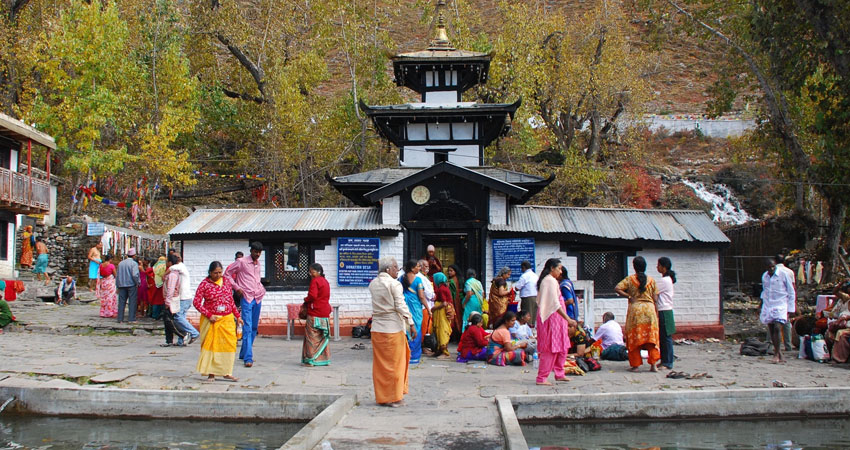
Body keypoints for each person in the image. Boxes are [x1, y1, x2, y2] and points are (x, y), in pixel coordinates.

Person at [369, 256, 416, 407]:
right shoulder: (394, 284)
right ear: (388, 269)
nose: (398, 270)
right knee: (396, 364)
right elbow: (400, 306)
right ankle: (395, 398)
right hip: (392, 329)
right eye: (396, 267)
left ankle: (383, 396)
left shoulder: (373, 284)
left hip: (377, 329)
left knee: (381, 365)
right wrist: (411, 323)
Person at [194, 261, 242, 382]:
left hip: (227, 319)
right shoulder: (204, 284)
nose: (218, 275)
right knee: (212, 346)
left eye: (220, 272)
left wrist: (238, 316)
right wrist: (209, 315)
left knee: (229, 345)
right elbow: (196, 302)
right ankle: (211, 373)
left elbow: (230, 301)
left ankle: (227, 372)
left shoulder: (226, 282)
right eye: (215, 273)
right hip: (212, 320)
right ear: (210, 273)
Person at [615, 256, 660, 372]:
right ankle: (653, 364)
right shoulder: (652, 280)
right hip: (649, 310)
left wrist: (629, 296)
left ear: (634, 267)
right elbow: (655, 298)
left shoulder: (630, 280)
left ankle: (635, 365)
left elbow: (617, 288)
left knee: (634, 338)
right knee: (652, 339)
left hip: (636, 311)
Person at [224, 241, 266, 368]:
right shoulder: (241, 262)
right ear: (251, 251)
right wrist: (236, 287)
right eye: (255, 252)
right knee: (247, 327)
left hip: (257, 297)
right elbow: (227, 274)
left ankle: (243, 353)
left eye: (259, 252)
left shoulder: (258, 264)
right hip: (246, 297)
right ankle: (248, 357)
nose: (257, 254)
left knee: (254, 328)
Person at [535, 258, 574, 385]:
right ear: (552, 268)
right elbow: (554, 304)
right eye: (559, 268)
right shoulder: (549, 281)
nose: (560, 271)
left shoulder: (552, 281)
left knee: (563, 347)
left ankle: (559, 373)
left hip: (558, 319)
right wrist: (568, 319)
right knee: (550, 348)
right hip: (551, 318)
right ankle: (542, 378)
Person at [760, 257, 795, 364]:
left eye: (773, 267)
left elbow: (791, 291)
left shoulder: (783, 274)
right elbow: (765, 291)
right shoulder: (765, 276)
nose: (771, 269)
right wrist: (761, 305)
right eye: (769, 267)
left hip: (781, 304)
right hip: (769, 304)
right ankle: (779, 353)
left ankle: (776, 353)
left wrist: (791, 308)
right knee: (771, 328)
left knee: (777, 327)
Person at [302, 263, 331, 367]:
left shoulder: (315, 281)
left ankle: (311, 359)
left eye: (312, 272)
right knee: (322, 337)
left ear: (318, 272)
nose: (311, 274)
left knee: (311, 337)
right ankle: (324, 359)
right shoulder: (326, 282)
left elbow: (313, 295)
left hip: (314, 312)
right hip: (325, 313)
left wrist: (306, 300)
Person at [170, 254, 199, 346]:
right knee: (181, 319)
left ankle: (194, 332)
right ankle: (181, 340)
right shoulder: (178, 269)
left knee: (178, 317)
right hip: (183, 297)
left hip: (184, 298)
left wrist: (165, 273)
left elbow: (171, 268)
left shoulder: (181, 267)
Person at [402, 259, 427, 364]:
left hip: (404, 307)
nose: (419, 268)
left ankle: (405, 354)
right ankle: (414, 356)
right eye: (418, 266)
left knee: (406, 329)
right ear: (412, 268)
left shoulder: (400, 279)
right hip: (415, 308)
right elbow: (421, 296)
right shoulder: (418, 280)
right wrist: (428, 308)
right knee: (416, 328)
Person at [559, 268, 588, 357]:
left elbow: (570, 300)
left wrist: (558, 306)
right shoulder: (568, 283)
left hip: (568, 313)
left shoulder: (564, 285)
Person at [655, 257, 677, 370]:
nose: (657, 267)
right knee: (663, 337)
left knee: (666, 338)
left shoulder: (664, 281)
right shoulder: (666, 279)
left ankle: (668, 362)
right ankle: (664, 360)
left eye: (658, 265)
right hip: (665, 310)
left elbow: (653, 290)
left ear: (664, 267)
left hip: (664, 310)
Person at [161, 254, 186, 347]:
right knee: (168, 321)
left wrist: (167, 301)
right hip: (171, 299)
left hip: (171, 300)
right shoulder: (173, 273)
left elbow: (171, 289)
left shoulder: (172, 275)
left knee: (170, 321)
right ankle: (169, 340)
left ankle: (182, 334)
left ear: (170, 263)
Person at [774, 253, 797, 351]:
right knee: (786, 322)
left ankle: (770, 343)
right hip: (786, 299)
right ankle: (788, 344)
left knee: (772, 322)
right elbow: (793, 287)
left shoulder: (772, 271)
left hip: (775, 299)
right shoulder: (790, 272)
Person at [430, 272, 454, 358]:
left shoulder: (442, 289)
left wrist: (434, 308)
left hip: (442, 312)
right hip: (441, 312)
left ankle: (444, 352)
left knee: (442, 330)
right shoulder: (443, 287)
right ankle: (439, 350)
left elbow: (444, 303)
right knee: (438, 330)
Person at [116, 248, 141, 323]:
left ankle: (120, 319)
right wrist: (138, 282)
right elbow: (135, 275)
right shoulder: (134, 264)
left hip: (122, 285)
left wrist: (117, 285)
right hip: (131, 285)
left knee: (121, 302)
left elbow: (118, 275)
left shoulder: (121, 263)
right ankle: (131, 319)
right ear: (134, 256)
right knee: (132, 302)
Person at [416, 259, 436, 354]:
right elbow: (425, 292)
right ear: (420, 266)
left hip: (427, 305)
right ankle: (423, 347)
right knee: (425, 327)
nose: (427, 268)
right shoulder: (420, 277)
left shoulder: (424, 276)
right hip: (425, 306)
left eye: (428, 266)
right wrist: (433, 296)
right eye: (426, 266)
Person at [514, 261, 539, 327]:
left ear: (524, 267)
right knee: (533, 314)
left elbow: (517, 287)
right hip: (535, 296)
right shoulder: (535, 275)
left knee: (526, 315)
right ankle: (532, 327)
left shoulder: (524, 276)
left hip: (527, 297)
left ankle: (527, 328)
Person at [97, 253, 117, 318]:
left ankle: (103, 312)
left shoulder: (101, 265)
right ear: (110, 259)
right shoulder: (111, 266)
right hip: (110, 282)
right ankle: (109, 311)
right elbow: (115, 274)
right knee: (110, 297)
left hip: (103, 281)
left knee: (104, 297)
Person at [447, 264, 464, 336]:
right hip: (456, 300)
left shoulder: (454, 281)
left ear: (455, 271)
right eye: (448, 271)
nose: (449, 272)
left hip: (457, 301)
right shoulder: (451, 281)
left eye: (451, 271)